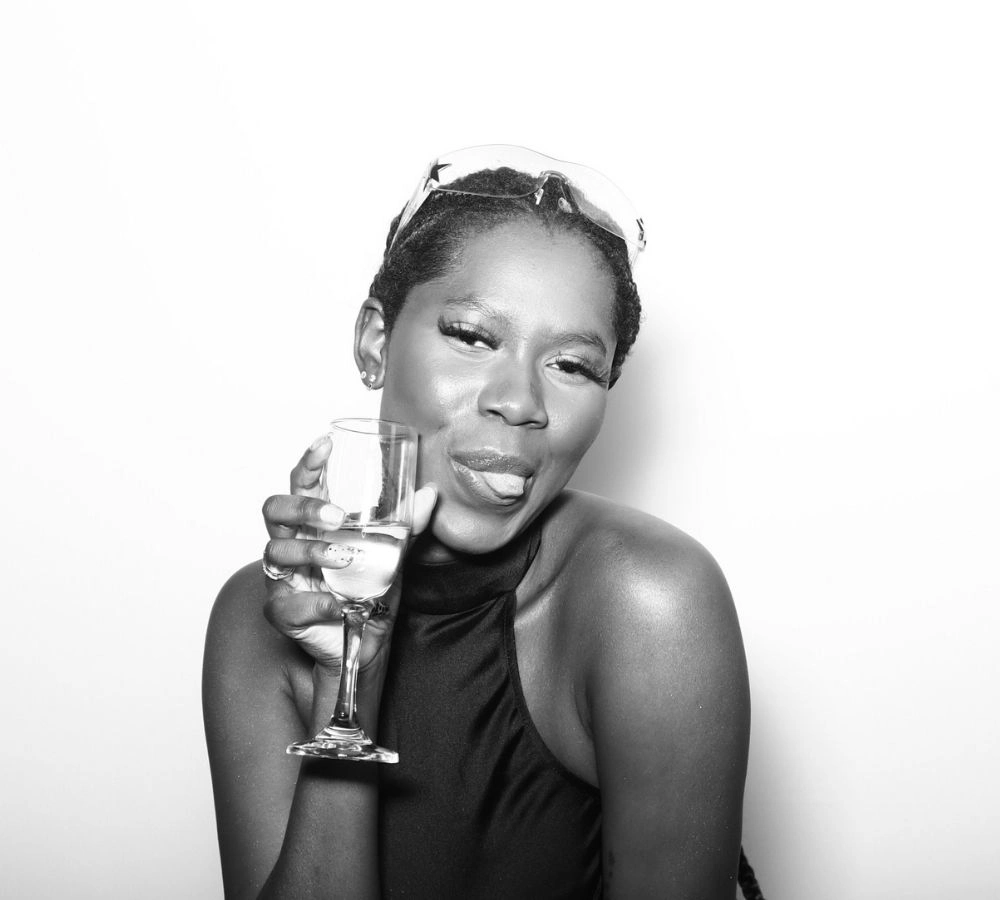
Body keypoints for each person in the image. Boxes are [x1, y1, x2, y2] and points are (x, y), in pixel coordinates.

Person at [203, 146, 752, 899]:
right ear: (375, 342)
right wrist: (348, 677)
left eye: (573, 366)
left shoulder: (648, 602)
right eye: (472, 336)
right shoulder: (262, 615)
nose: (520, 401)